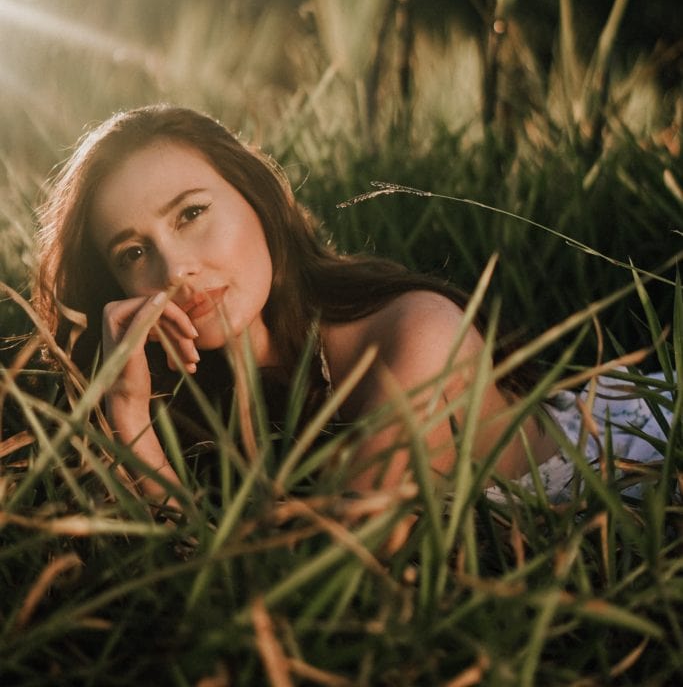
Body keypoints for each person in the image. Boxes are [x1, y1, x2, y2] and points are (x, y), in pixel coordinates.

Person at [32, 104, 673, 508]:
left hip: (632, 453)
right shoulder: (193, 396)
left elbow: (308, 585)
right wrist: (126, 407)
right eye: (133, 253)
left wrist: (138, 440)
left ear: (258, 198)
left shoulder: (418, 336)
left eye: (192, 213)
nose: (176, 270)